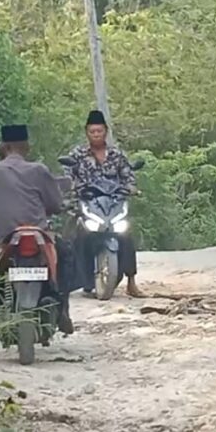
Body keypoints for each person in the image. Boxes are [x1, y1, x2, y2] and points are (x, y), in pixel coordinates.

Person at [0, 124, 74, 334]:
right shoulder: (38, 170)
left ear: (3, 146)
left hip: (2, 236)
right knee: (65, 254)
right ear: (26, 146)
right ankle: (63, 309)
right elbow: (55, 204)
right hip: (37, 234)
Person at [61, 110, 142, 298]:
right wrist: (71, 189)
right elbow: (67, 176)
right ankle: (68, 280)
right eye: (92, 131)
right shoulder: (77, 155)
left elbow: (128, 176)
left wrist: (131, 188)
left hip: (113, 203)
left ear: (106, 131)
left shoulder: (117, 154)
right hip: (87, 203)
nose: (96, 135)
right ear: (87, 133)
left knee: (126, 236)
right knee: (73, 236)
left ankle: (131, 282)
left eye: (99, 131)